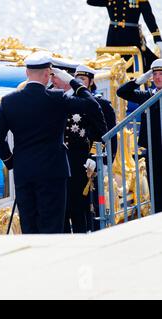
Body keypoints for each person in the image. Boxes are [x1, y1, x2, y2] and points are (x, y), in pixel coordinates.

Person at [0, 51, 106, 234]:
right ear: (48, 74)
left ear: (27, 73)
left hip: (24, 171)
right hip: (53, 172)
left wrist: (12, 162)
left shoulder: (9, 101)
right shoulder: (57, 98)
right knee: (52, 225)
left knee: (29, 225)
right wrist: (73, 82)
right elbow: (92, 105)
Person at [51, 64, 108, 233]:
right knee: (61, 207)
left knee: (78, 206)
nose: (53, 80)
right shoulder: (54, 98)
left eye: (56, 77)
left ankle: (82, 235)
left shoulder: (85, 102)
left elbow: (101, 131)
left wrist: (93, 156)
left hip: (79, 161)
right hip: (58, 161)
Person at [75, 65, 117, 231]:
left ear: (91, 82)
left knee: (94, 204)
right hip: (77, 159)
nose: (79, 83)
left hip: (94, 159)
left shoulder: (101, 104)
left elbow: (108, 135)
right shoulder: (74, 102)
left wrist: (105, 161)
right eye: (77, 79)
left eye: (83, 80)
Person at [117, 58, 162, 213]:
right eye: (154, 74)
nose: (157, 78)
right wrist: (140, 79)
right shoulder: (148, 95)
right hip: (154, 149)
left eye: (161, 74)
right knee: (156, 191)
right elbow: (122, 92)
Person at [87, 0, 162, 71]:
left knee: (142, 63)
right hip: (113, 39)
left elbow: (149, 18)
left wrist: (157, 38)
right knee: (110, 65)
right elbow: (91, 1)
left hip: (131, 38)